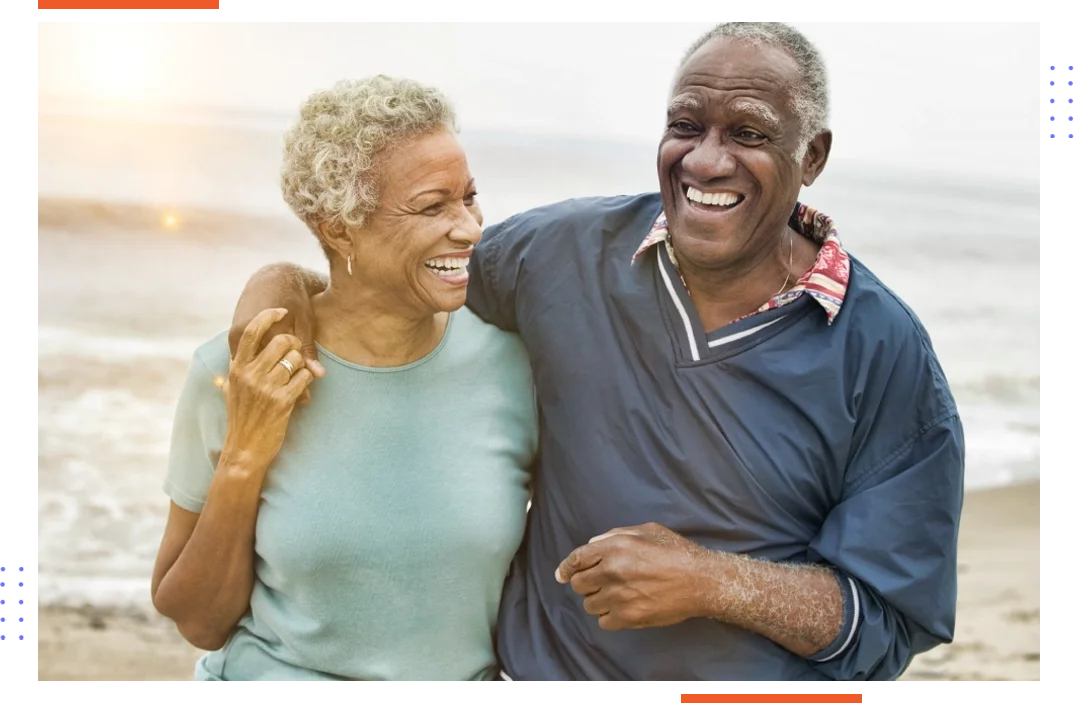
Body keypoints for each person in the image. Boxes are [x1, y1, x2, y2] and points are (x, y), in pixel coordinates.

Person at [229, 21, 965, 685]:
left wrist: (711, 581)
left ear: (812, 156)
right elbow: (394, 278)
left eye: (748, 132)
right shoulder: (561, 253)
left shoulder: (885, 352)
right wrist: (276, 290)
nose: (707, 161)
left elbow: (891, 622)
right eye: (686, 125)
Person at [151, 76, 539, 683]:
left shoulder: (514, 369)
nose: (468, 228)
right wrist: (245, 455)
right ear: (337, 227)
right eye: (433, 206)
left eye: (469, 197)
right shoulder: (237, 373)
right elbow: (198, 621)